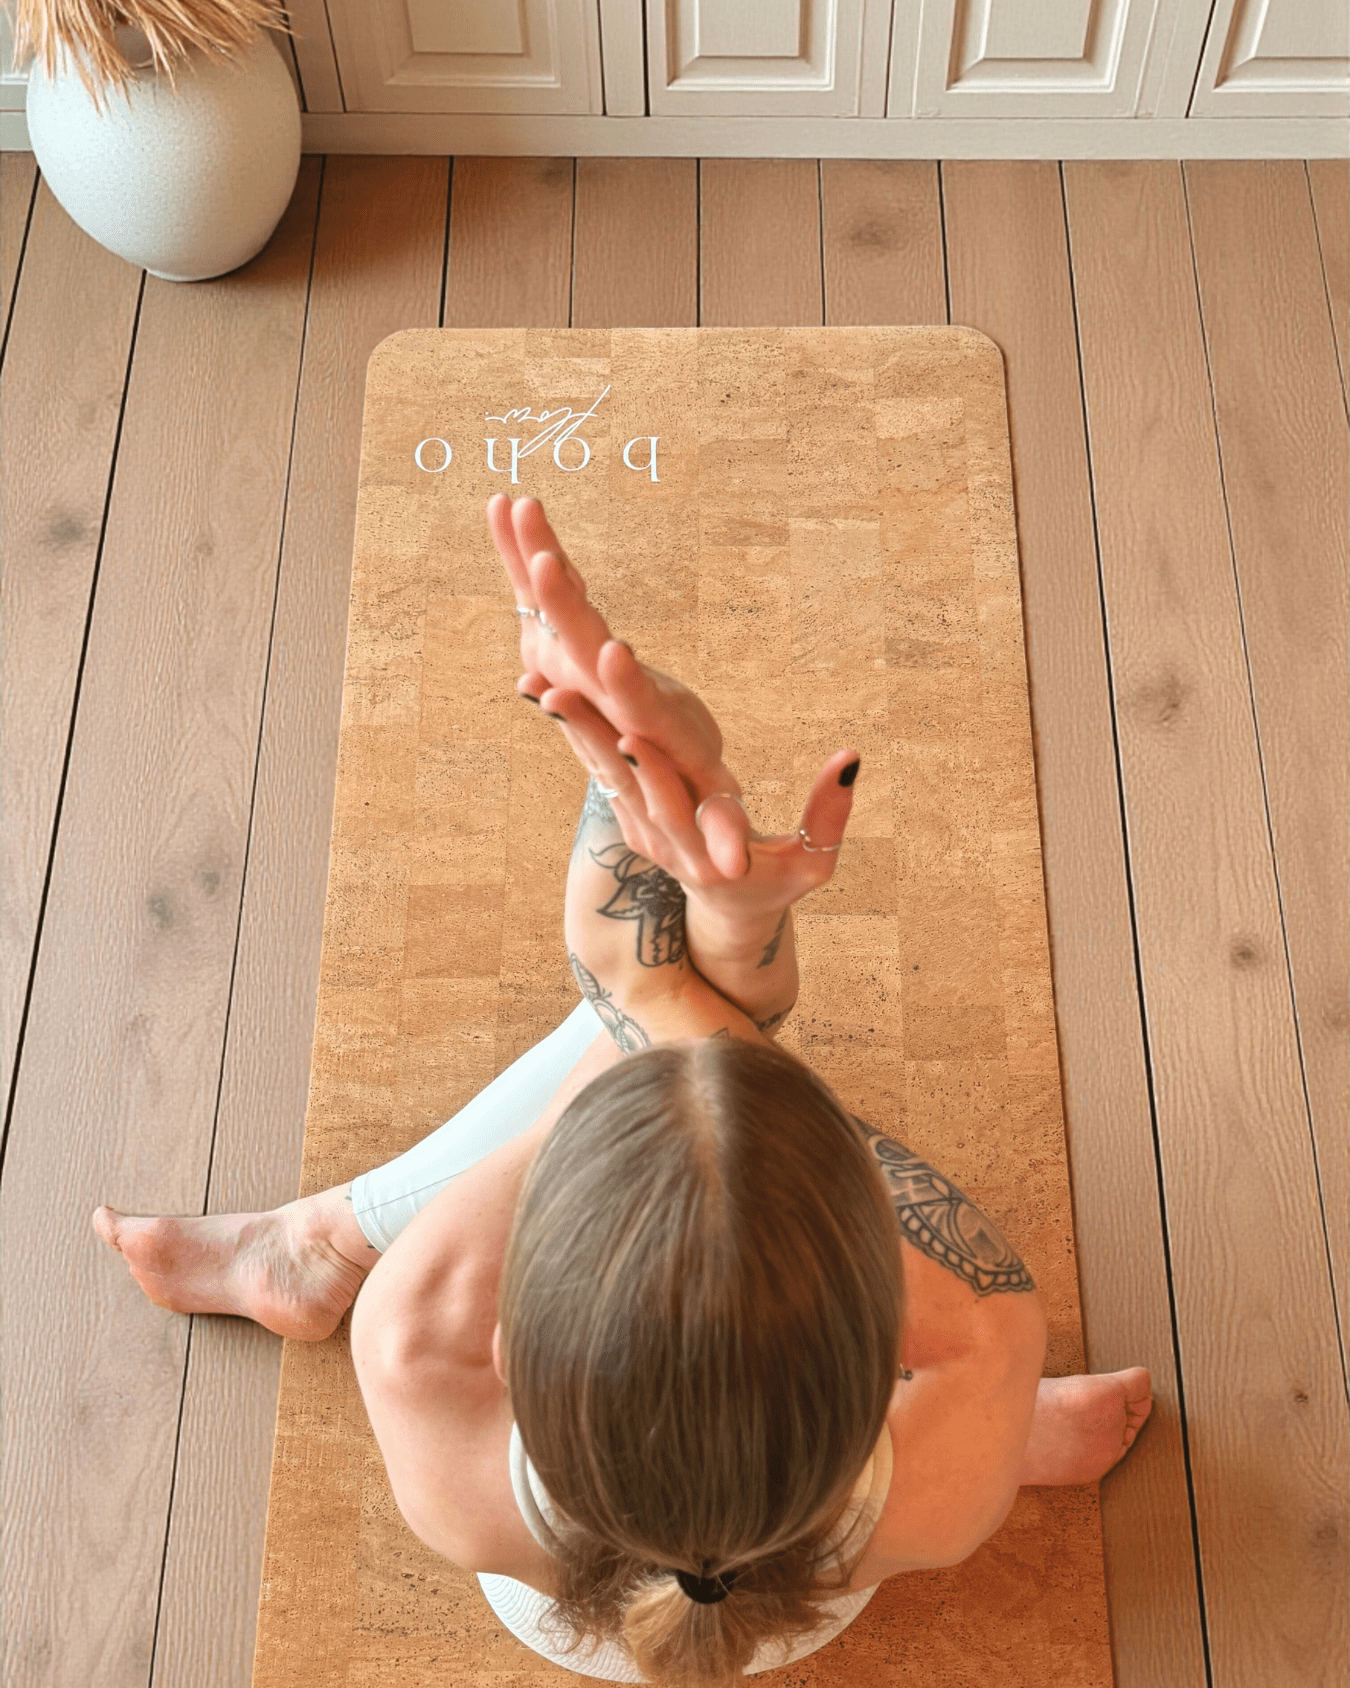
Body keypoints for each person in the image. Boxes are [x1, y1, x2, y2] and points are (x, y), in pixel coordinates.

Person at [95, 496, 1152, 1686]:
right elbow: (687, 1055)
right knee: (678, 1039)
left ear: (503, 1338)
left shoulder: (418, 1349)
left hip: (565, 1619)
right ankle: (1015, 1435)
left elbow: (660, 1055)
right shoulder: (965, 1411)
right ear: (888, 1357)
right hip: (833, 1582)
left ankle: (321, 1242)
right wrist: (698, 950)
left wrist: (643, 830)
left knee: (653, 1040)